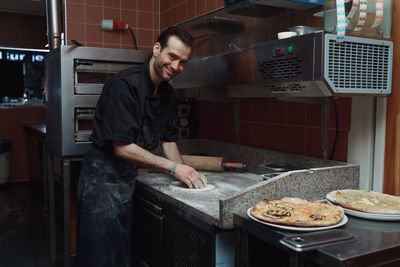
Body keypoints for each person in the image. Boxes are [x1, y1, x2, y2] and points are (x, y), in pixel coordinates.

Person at [77, 26, 207, 267]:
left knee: (122, 255)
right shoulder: (124, 86)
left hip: (127, 180)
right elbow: (123, 148)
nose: (176, 66)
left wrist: (186, 175)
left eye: (183, 62)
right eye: (172, 56)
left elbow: (169, 141)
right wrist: (173, 168)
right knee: (100, 257)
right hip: (101, 182)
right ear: (157, 49)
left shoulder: (167, 94)